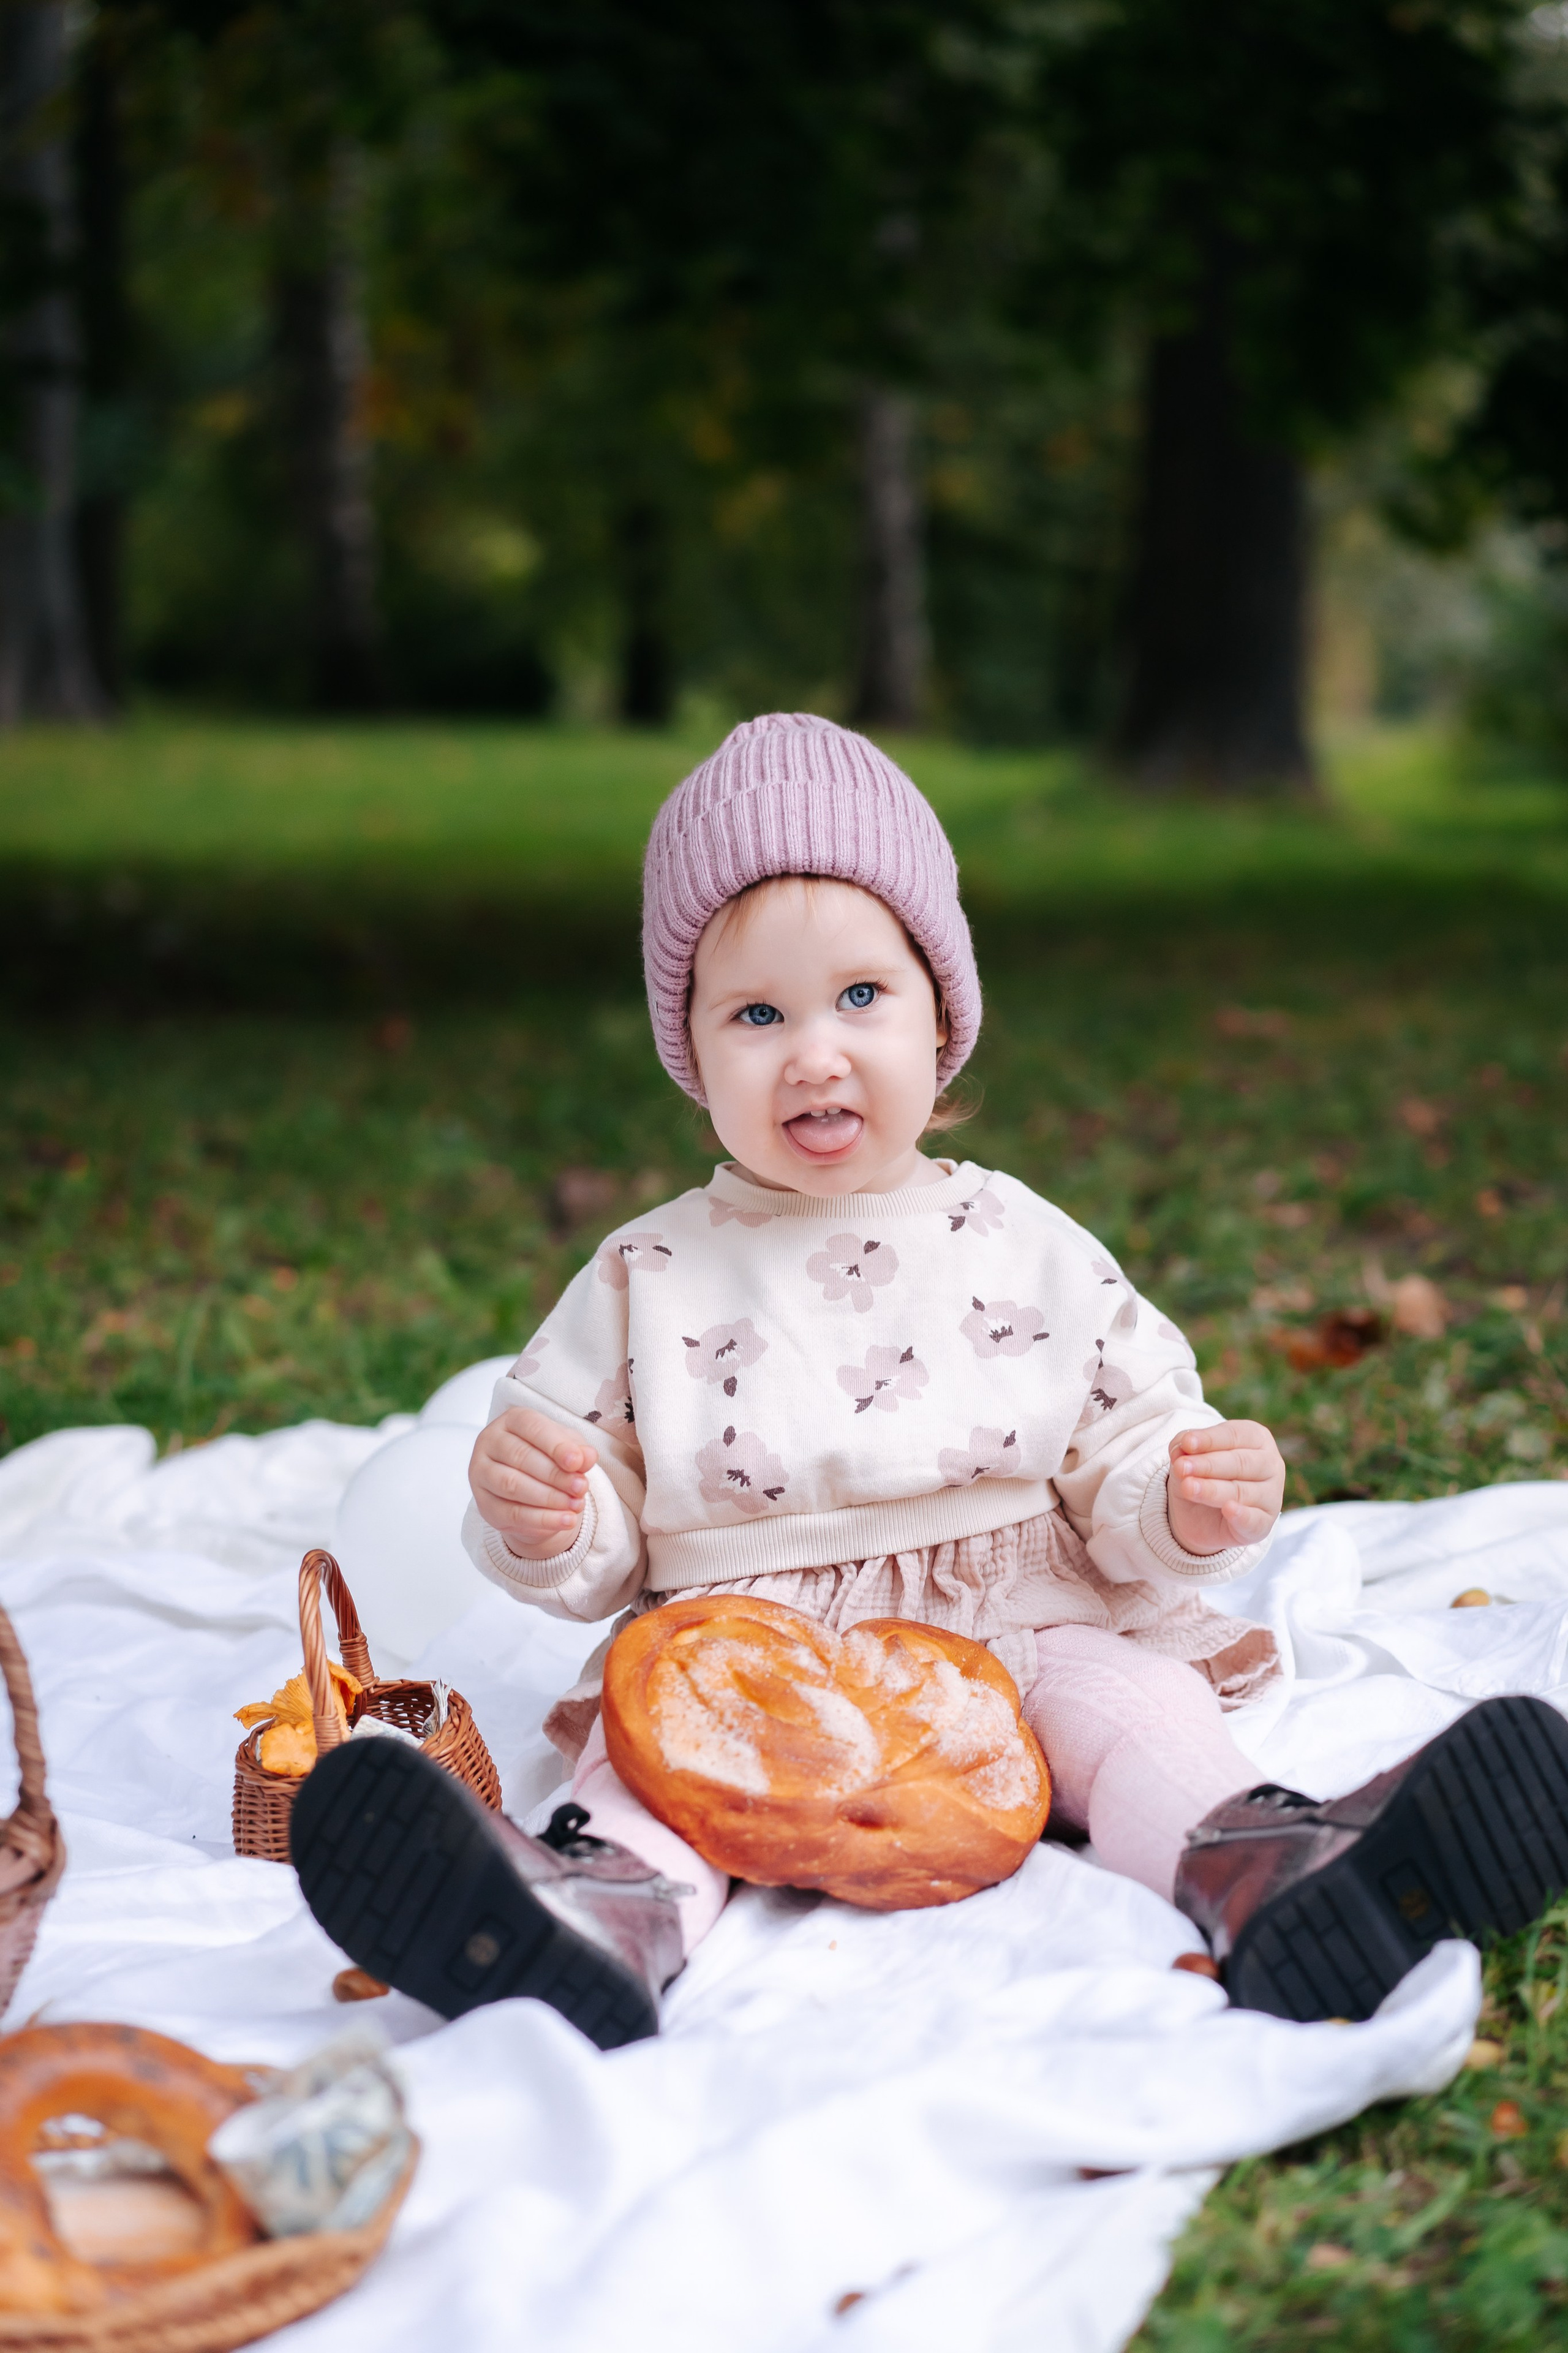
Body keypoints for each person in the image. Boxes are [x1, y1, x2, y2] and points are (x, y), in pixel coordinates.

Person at [292, 714, 1568, 2047]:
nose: (814, 1052)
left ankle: (1267, 1864)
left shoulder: (1019, 1237)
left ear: (941, 1013)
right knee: (649, 1764)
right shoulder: (648, 1270)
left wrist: (1183, 1499)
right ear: (691, 1051)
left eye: (860, 996)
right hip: (744, 1646)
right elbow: (594, 1519)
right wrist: (550, 1513)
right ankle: (593, 1912)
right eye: (757, 1014)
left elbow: (1122, 1438)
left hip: (1015, 1610)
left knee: (1142, 1711)